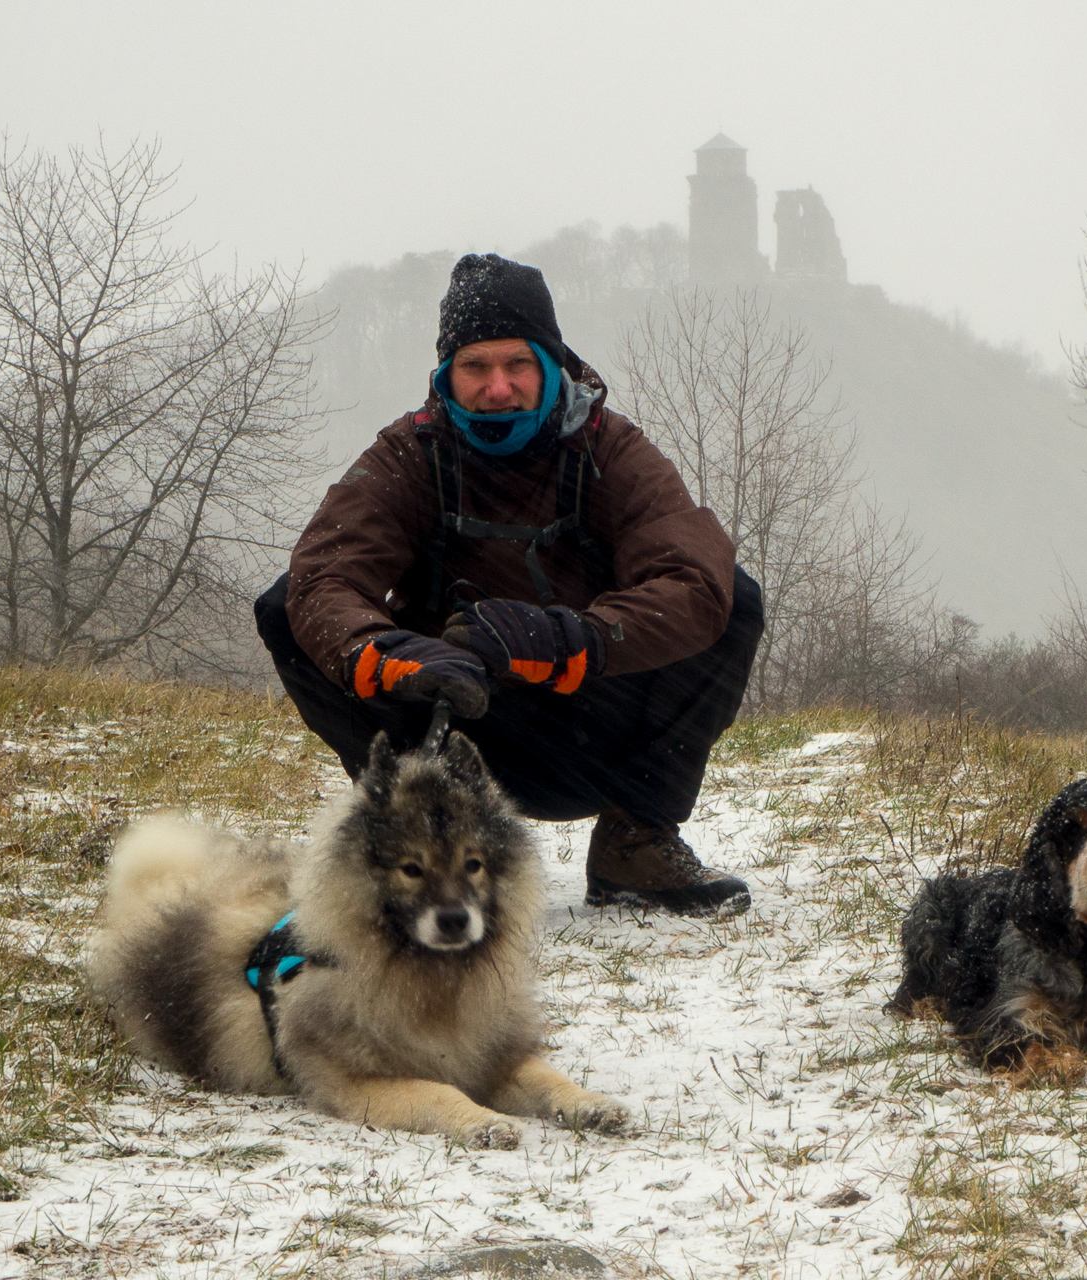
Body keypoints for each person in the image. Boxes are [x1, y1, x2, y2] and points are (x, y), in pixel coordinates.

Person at [255, 253, 762, 916]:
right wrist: (395, 659)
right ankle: (409, 825)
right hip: (452, 734)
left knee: (735, 598)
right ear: (446, 375)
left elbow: (693, 580)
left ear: (553, 365)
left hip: (598, 738)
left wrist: (567, 638)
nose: (497, 388)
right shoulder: (408, 455)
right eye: (475, 366)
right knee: (284, 608)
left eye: (517, 364)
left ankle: (637, 841)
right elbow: (324, 577)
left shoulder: (611, 450)